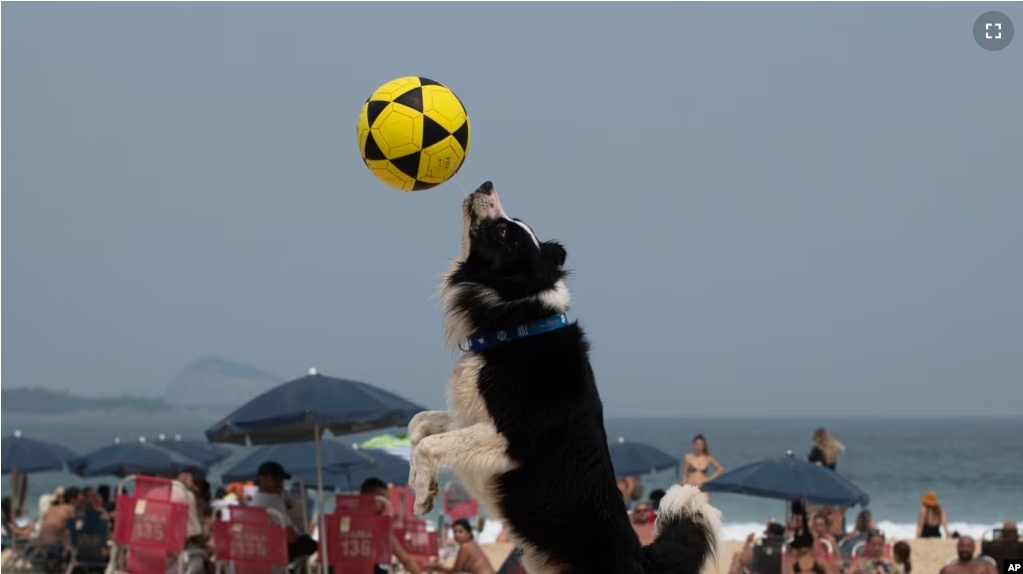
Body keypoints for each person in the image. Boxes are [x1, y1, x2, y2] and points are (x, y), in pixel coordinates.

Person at [249, 461, 317, 562]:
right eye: (274, 480)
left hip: (257, 552)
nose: (279, 484)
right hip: (272, 554)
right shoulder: (272, 500)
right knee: (310, 544)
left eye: (281, 481)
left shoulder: (255, 499)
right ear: (261, 479)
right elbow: (292, 538)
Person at [359, 477, 424, 574]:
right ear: (369, 498)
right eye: (382, 499)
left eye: (387, 499)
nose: (385, 504)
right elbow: (404, 559)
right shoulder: (379, 525)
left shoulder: (341, 518)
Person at [423, 518, 495, 574]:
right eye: (455, 532)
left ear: (468, 533)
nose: (457, 535)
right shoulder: (472, 544)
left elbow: (455, 571)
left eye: (461, 531)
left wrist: (438, 567)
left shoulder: (465, 547)